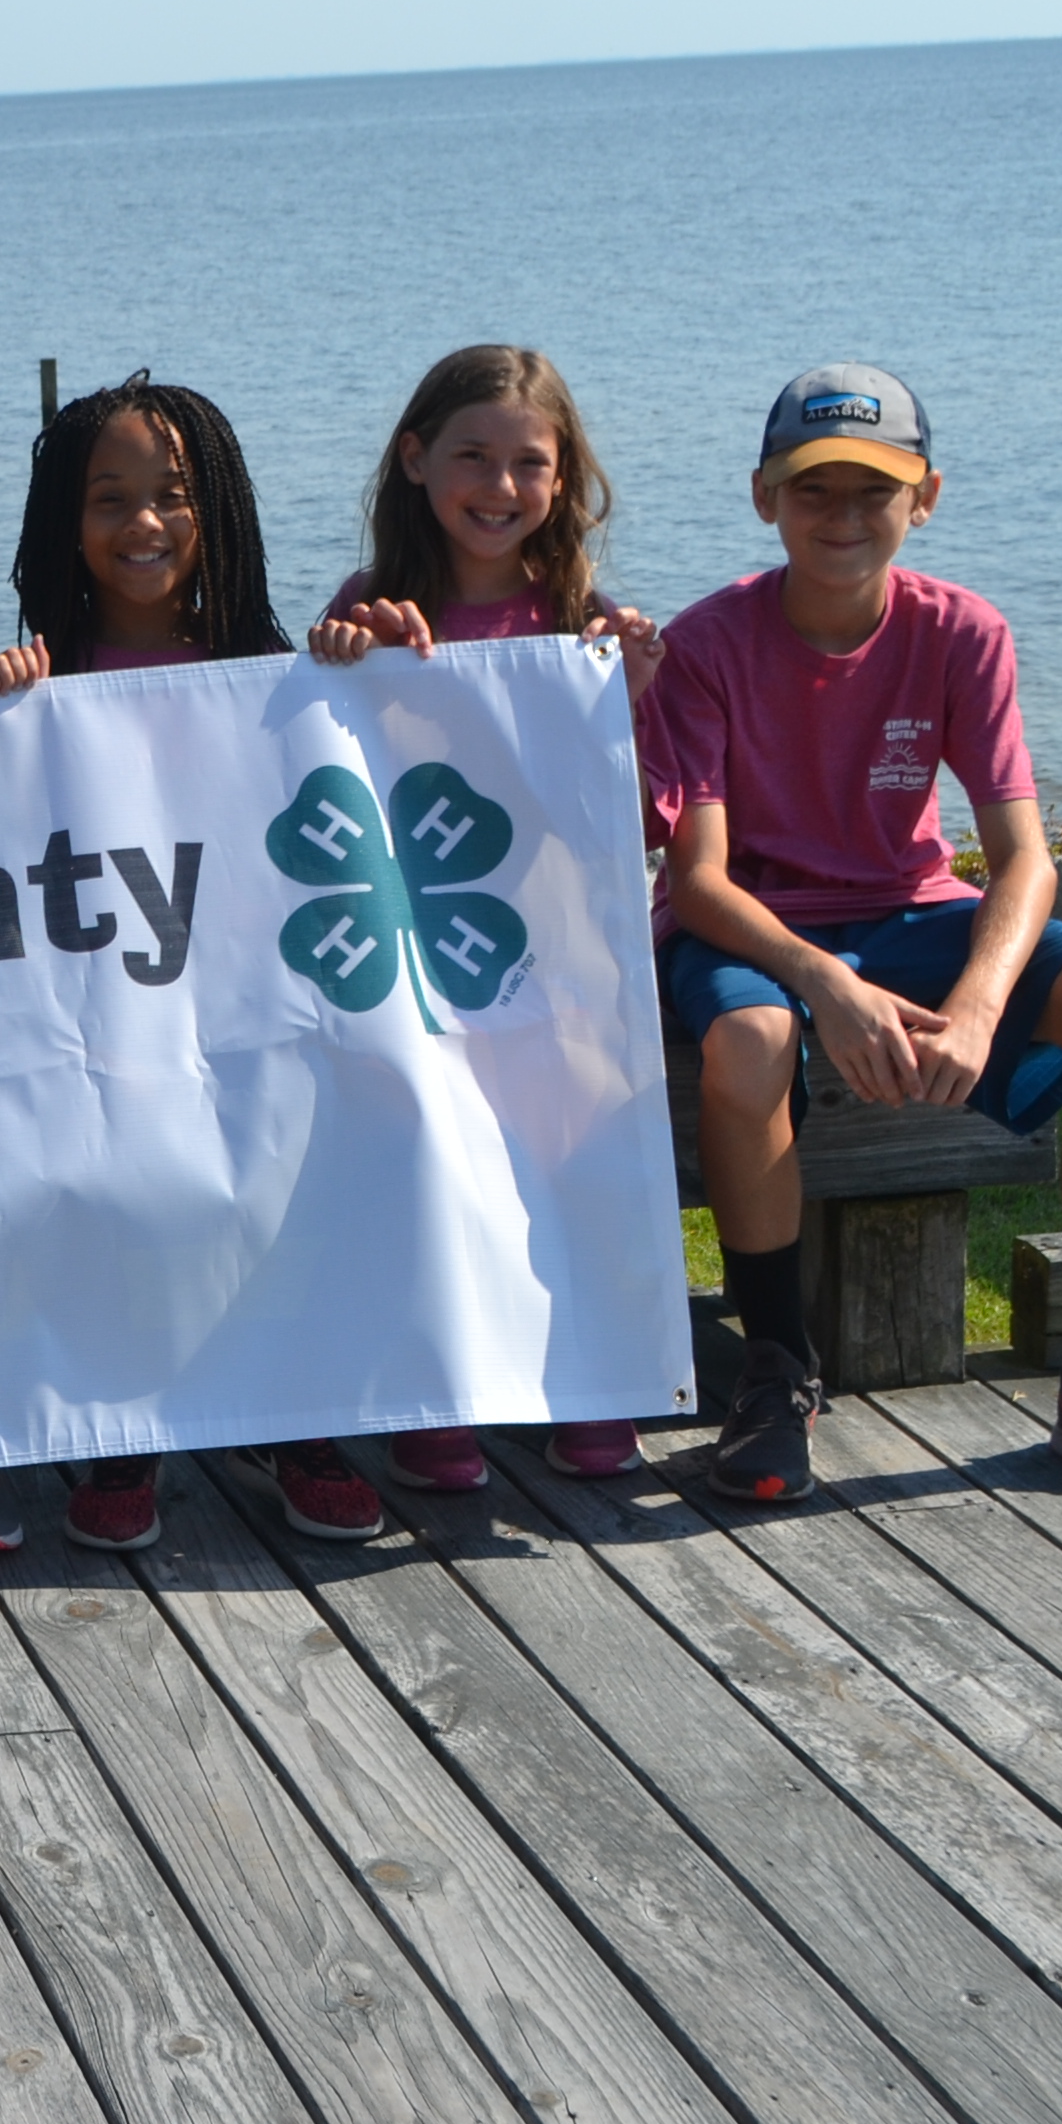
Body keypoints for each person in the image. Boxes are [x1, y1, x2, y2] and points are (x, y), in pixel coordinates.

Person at [650, 365, 1062, 1506]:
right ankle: (774, 1375)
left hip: (916, 911)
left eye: (874, 490)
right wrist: (827, 983)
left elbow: (1023, 860)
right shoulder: (706, 644)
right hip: (757, 932)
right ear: (763, 496)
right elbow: (702, 881)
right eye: (811, 488)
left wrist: (976, 1005)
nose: (841, 514)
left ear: (924, 499)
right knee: (754, 1043)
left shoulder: (963, 631)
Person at [0, 374, 389, 1553]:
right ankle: (124, 1427)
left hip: (255, 1003)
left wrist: (369, 666)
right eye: (109, 499)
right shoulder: (37, 685)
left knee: (290, 1171)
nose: (143, 523)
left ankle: (295, 1412)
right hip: (98, 1015)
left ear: (220, 509)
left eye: (172, 494)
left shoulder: (277, 667)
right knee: (121, 1190)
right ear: (65, 520)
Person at [320, 344, 666, 1485]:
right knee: (433, 1154)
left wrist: (636, 698)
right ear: (415, 459)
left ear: (564, 481)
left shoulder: (588, 623)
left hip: (562, 964)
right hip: (419, 961)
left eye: (530, 463)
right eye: (473, 455)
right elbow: (312, 773)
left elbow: (646, 820)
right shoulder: (365, 615)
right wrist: (336, 665)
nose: (501, 485)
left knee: (577, 1153)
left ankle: (590, 1375)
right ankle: (443, 1384)